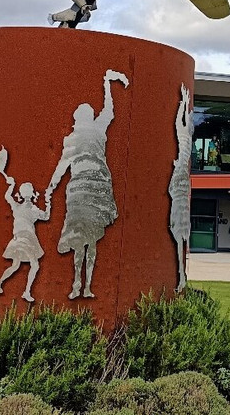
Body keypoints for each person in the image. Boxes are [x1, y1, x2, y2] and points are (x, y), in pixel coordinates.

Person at [47, 69, 129, 299]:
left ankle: (77, 285)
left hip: (80, 190)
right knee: (90, 241)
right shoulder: (98, 129)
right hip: (96, 188)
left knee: (79, 241)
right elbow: (109, 111)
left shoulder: (73, 138)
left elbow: (61, 167)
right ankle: (86, 286)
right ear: (90, 116)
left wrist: (51, 188)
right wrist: (107, 84)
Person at [0, 174, 50, 302]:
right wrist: (48, 201)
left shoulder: (17, 207)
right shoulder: (33, 209)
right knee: (34, 265)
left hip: (17, 239)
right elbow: (46, 216)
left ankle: (0, 282)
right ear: (31, 194)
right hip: (26, 239)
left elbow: (8, 196)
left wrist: (11, 185)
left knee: (15, 266)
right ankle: (27, 291)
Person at [168, 84, 193, 291]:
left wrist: (183, 105)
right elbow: (182, 126)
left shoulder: (184, 147)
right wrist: (184, 105)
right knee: (181, 240)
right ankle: (181, 276)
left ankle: (181, 276)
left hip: (179, 199)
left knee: (178, 239)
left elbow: (179, 126)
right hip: (182, 199)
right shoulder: (188, 147)